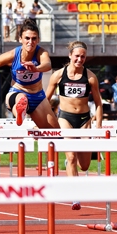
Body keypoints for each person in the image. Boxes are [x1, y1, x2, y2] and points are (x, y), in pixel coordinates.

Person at [45, 40, 103, 209]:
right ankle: (75, 195)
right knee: (71, 157)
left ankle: (72, 166)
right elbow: (45, 100)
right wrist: (45, 119)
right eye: (77, 56)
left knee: (84, 165)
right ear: (70, 55)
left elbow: (99, 103)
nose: (79, 59)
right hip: (65, 118)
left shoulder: (90, 77)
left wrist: (98, 124)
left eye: (83, 57)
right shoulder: (58, 75)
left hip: (85, 119)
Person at [0, 19, 60, 128]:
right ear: (20, 39)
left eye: (34, 39)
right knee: (22, 98)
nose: (30, 42)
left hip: (38, 96)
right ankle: (20, 112)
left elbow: (47, 65)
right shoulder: (12, 55)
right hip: (17, 92)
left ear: (38, 40)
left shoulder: (41, 52)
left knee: (55, 133)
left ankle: (33, 131)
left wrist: (36, 68)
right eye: (27, 38)